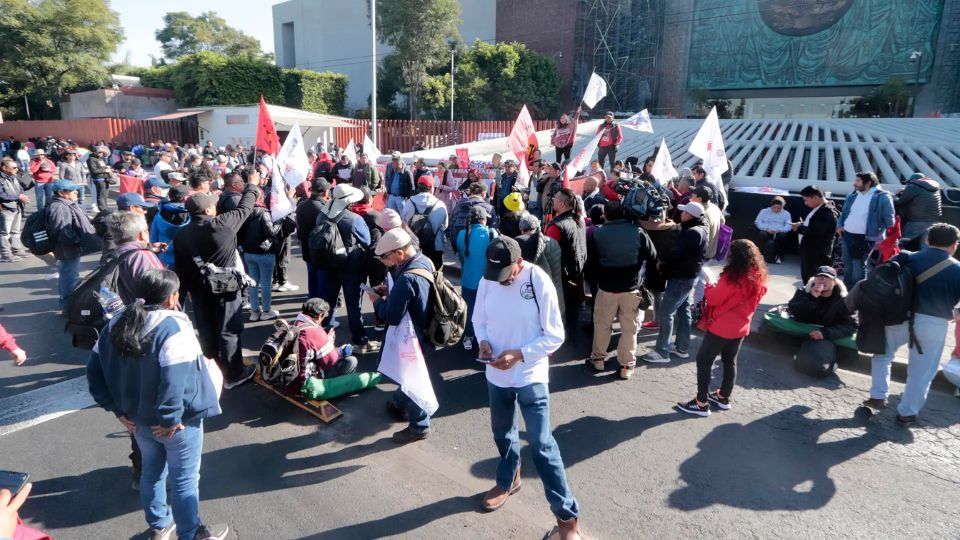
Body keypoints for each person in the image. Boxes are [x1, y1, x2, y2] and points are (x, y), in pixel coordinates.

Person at [86, 268, 230, 540]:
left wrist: (116, 410)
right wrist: (169, 419)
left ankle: (160, 525)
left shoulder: (115, 324)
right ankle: (191, 533)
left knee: (152, 472)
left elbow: (93, 373)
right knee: (185, 479)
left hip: (136, 420)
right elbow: (174, 382)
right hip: (177, 425)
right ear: (172, 298)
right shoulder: (173, 328)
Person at [473, 236, 582, 539]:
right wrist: (483, 342)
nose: (499, 281)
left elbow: (554, 335)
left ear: (518, 263)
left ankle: (567, 519)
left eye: (505, 274)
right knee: (502, 434)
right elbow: (478, 320)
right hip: (496, 374)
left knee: (542, 445)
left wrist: (519, 354)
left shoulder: (537, 280)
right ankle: (509, 479)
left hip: (530, 374)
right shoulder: (488, 280)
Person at [173, 169, 263, 389]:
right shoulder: (222, 224)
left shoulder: (181, 235)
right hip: (225, 286)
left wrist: (183, 294)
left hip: (198, 288)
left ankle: (214, 368)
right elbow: (246, 207)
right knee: (229, 329)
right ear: (208, 209)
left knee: (206, 328)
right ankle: (234, 374)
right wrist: (252, 184)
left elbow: (181, 268)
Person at [865, 223, 960, 425]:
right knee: (922, 372)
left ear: (927, 240)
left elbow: (881, 279)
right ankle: (907, 412)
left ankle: (878, 395)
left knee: (883, 355)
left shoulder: (906, 257)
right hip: (934, 324)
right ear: (954, 245)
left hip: (897, 317)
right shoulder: (958, 269)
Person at [676, 240, 768, 416]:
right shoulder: (758, 276)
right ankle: (723, 397)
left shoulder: (732, 279)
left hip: (721, 327)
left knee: (704, 360)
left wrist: (710, 284)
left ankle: (701, 403)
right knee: (729, 361)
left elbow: (713, 299)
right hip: (741, 326)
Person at [369, 228, 436, 443]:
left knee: (414, 379)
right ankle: (399, 401)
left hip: (412, 338)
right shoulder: (424, 261)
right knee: (412, 375)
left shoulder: (406, 279)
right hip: (428, 329)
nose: (385, 263)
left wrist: (376, 301)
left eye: (386, 258)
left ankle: (419, 426)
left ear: (399, 252)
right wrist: (392, 292)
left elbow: (391, 316)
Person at [588, 201, 658, 379]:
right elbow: (653, 256)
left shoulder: (598, 233)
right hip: (632, 287)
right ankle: (626, 365)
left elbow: (591, 262)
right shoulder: (638, 231)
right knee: (629, 328)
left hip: (606, 287)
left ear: (606, 215)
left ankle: (598, 360)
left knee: (602, 325)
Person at [643, 202, 708, 364]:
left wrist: (662, 261)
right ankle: (681, 348)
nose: (682, 214)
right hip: (687, 276)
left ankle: (662, 351)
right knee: (683, 311)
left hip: (681, 277)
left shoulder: (693, 232)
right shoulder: (697, 230)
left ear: (691, 215)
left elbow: (677, 254)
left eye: (685, 212)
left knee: (666, 313)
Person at [319, 184, 379, 353]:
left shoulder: (322, 215)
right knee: (354, 306)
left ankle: (322, 341)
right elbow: (367, 242)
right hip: (351, 266)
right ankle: (360, 342)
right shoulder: (354, 219)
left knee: (328, 303)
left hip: (328, 265)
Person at [786, 265, 857, 365]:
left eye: (827, 277)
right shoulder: (804, 292)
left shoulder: (844, 300)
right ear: (814, 279)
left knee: (849, 357)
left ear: (835, 282)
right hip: (804, 334)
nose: (822, 280)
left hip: (827, 338)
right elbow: (793, 310)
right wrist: (811, 298)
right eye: (819, 277)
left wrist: (825, 333)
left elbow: (851, 325)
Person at [836, 171, 895, 288]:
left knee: (858, 268)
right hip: (847, 235)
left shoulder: (882, 197)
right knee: (848, 267)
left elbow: (890, 221)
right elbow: (844, 214)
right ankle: (846, 294)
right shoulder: (852, 195)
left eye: (858, 181)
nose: (854, 183)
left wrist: (877, 231)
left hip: (865, 238)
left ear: (868, 183)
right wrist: (839, 225)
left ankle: (857, 295)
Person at [46, 180, 96, 309]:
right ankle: (67, 306)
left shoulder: (65, 204)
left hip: (68, 248)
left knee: (69, 276)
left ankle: (67, 304)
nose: (76, 192)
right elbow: (62, 230)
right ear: (62, 193)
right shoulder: (59, 207)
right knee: (69, 278)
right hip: (67, 249)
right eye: (72, 190)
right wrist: (77, 242)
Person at [456, 206, 499, 351]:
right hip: (488, 281)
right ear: (483, 219)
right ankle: (486, 339)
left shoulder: (462, 235)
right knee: (489, 311)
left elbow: (462, 257)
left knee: (469, 310)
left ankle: (468, 336)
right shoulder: (491, 232)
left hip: (468, 280)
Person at [545, 188, 587, 331]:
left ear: (562, 204)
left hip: (561, 276)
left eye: (555, 198)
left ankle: (563, 340)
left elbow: (548, 252)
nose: (553, 200)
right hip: (578, 272)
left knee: (561, 311)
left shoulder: (557, 226)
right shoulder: (579, 219)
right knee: (573, 310)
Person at [239, 188, 282, 321]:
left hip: (248, 252)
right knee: (265, 283)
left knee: (253, 282)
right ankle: (266, 311)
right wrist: (279, 223)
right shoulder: (263, 212)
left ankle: (255, 311)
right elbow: (270, 231)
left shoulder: (242, 211)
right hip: (264, 252)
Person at [292, 298, 358, 379]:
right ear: (320, 315)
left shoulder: (295, 324)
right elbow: (331, 362)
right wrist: (329, 342)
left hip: (290, 376)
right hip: (305, 381)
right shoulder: (316, 333)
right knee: (351, 361)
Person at [109, 211, 166, 304]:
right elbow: (162, 291)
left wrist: (149, 247)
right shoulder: (143, 257)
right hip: (148, 313)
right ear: (142, 234)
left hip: (125, 310)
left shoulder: (114, 254)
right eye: (147, 230)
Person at [792, 185, 838, 284]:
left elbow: (817, 231)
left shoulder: (826, 212)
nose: (805, 203)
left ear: (816, 197)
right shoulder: (819, 209)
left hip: (816, 254)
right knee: (808, 279)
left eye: (806, 200)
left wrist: (799, 228)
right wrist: (802, 225)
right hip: (811, 251)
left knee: (813, 279)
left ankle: (812, 298)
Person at [402, 176, 449, 270]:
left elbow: (404, 222)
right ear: (432, 187)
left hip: (413, 248)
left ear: (418, 187)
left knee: (415, 273)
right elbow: (445, 225)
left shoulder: (409, 203)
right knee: (435, 276)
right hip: (435, 247)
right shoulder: (440, 205)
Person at [296, 178, 332, 299]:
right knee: (323, 281)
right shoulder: (324, 208)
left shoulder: (301, 205)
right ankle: (320, 306)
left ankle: (312, 300)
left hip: (307, 248)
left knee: (312, 278)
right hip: (321, 251)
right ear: (325, 192)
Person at [895, 172, 941, 249]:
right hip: (933, 222)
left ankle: (897, 259)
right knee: (925, 247)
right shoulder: (935, 187)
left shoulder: (913, 186)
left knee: (899, 242)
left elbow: (900, 202)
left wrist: (893, 196)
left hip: (916, 222)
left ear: (913, 180)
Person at [449, 182, 498, 252]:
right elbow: (494, 229)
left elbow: (451, 224)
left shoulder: (459, 204)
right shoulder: (489, 208)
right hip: (482, 247)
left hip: (460, 244)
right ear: (484, 193)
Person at [150, 185, 191, 269]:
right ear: (185, 198)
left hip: (163, 259)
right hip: (185, 260)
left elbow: (153, 238)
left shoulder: (159, 215)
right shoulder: (191, 215)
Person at [0, 158, 29, 263]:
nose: (17, 169)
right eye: (14, 167)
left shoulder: (14, 177)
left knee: (15, 232)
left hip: (16, 207)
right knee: (4, 233)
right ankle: (6, 254)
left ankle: (17, 250)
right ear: (4, 168)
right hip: (5, 209)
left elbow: (21, 189)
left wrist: (23, 196)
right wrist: (18, 197)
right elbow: (2, 194)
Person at [754, 196, 793, 263]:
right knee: (762, 234)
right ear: (771, 206)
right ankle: (760, 254)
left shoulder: (786, 213)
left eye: (779, 208)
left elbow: (789, 225)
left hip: (779, 231)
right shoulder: (764, 211)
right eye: (774, 208)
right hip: (766, 230)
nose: (776, 210)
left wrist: (780, 230)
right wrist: (766, 229)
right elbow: (758, 222)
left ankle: (779, 255)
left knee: (783, 236)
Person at [691, 185, 724, 260]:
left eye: (693, 196)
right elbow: (723, 221)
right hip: (712, 252)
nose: (691, 198)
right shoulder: (714, 207)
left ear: (699, 199)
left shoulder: (702, 214)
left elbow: (703, 240)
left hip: (703, 256)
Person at [87, 145, 113, 211]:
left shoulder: (100, 159)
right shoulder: (91, 159)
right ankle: (102, 209)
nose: (101, 154)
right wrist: (104, 170)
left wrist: (107, 167)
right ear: (94, 152)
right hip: (99, 179)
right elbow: (93, 170)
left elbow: (102, 167)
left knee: (105, 195)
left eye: (102, 152)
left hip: (105, 178)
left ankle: (106, 208)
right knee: (101, 195)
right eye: (99, 152)